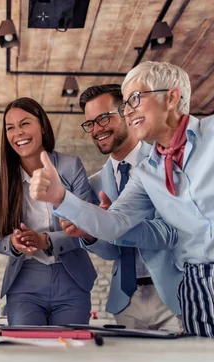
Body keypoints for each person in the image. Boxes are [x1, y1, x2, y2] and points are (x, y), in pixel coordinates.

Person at [30, 61, 214, 350]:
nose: (129, 110)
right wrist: (61, 198)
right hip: (198, 288)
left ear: (172, 98)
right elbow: (114, 224)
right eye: (125, 105)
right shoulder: (147, 172)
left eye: (135, 98)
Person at [60, 84, 181, 330]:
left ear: (126, 111)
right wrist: (90, 234)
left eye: (104, 118)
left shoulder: (162, 163)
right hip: (126, 299)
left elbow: (172, 233)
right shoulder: (94, 184)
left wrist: (116, 221)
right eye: (90, 123)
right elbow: (111, 252)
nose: (97, 129)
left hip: (173, 294)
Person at [0, 97, 96, 325]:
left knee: (70, 353)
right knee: (28, 355)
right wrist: (15, 243)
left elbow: (88, 227)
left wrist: (45, 240)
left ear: (42, 125)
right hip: (24, 283)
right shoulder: (2, 176)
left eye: (25, 123)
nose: (18, 133)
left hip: (72, 279)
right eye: (10, 128)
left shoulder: (71, 166)